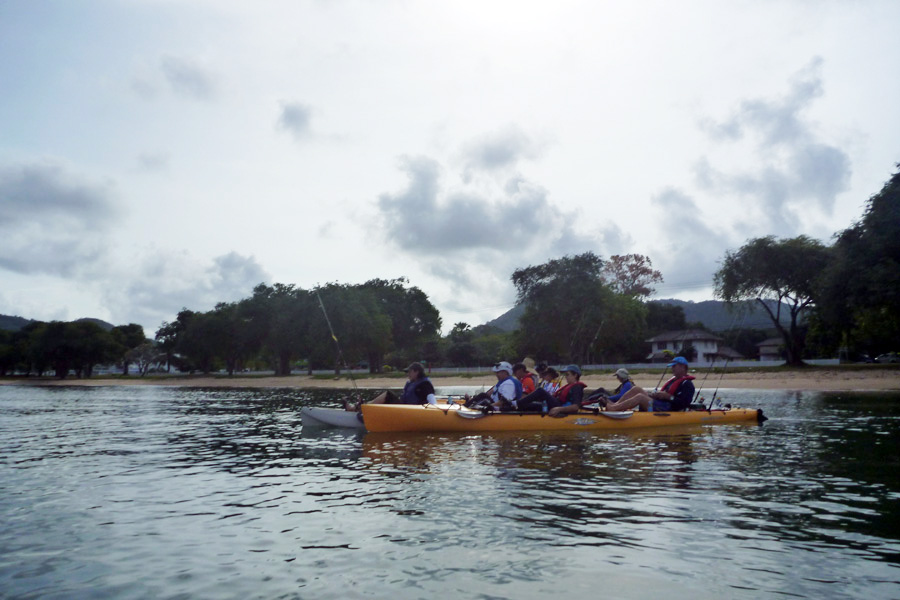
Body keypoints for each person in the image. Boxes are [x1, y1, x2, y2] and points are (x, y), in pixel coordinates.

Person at [605, 357, 696, 412]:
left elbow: (683, 403)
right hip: (660, 403)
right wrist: (656, 395)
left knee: (640, 397)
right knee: (636, 389)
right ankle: (614, 405)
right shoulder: (673, 380)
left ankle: (614, 409)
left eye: (674, 366)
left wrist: (668, 397)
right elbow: (665, 395)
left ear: (683, 367)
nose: (672, 368)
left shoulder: (687, 384)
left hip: (667, 408)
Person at [344, 362, 436, 411]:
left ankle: (363, 407)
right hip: (404, 408)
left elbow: (432, 400)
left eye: (409, 372)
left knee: (387, 394)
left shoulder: (424, 384)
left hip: (412, 410)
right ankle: (358, 408)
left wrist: (436, 412)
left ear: (416, 372)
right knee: (384, 397)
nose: (408, 374)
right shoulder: (411, 383)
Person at [517, 365, 587, 417]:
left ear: (575, 375)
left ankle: (517, 404)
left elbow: (575, 407)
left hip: (559, 406)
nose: (566, 377)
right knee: (530, 405)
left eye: (567, 375)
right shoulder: (569, 386)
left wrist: (559, 409)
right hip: (555, 404)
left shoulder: (577, 387)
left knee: (540, 391)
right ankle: (513, 408)